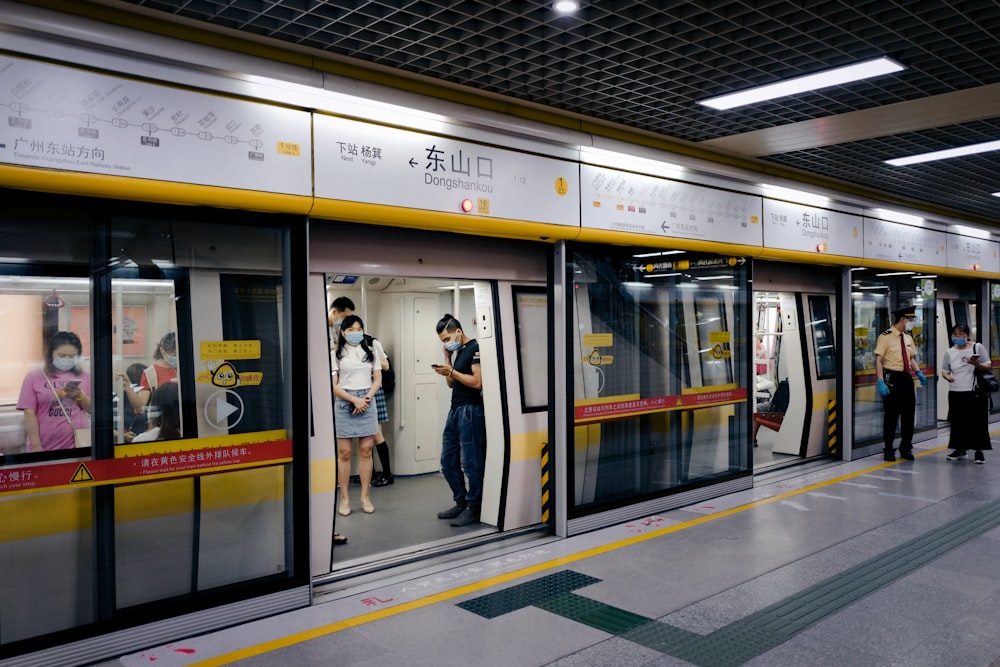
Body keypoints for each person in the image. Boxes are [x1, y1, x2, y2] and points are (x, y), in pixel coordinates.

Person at [432, 314, 486, 527]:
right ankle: (461, 501)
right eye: (443, 341)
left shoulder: (475, 348)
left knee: (471, 462)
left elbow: (477, 382)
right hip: (455, 410)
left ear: (458, 332)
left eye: (447, 339)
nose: (446, 343)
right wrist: (447, 361)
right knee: (447, 461)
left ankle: (475, 506)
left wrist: (452, 370)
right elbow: (451, 384)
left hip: (471, 411)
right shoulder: (457, 353)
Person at [332, 314, 382, 516]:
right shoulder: (336, 354)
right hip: (345, 402)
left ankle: (365, 496)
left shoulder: (370, 351)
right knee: (344, 453)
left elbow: (377, 379)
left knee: (366, 451)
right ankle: (344, 498)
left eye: (359, 329)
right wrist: (354, 400)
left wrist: (366, 398)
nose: (355, 333)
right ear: (343, 332)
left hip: (367, 401)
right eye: (351, 329)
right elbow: (334, 386)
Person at [16, 331, 93, 452]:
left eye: (72, 356)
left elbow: (91, 410)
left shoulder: (84, 376)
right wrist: (36, 445)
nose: (67, 359)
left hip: (77, 443)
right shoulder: (34, 376)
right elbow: (29, 414)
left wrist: (80, 395)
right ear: (51, 354)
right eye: (62, 355)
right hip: (44, 444)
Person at [874, 304, 927, 461]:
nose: (913, 322)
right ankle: (889, 449)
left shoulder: (908, 337)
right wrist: (880, 381)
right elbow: (878, 359)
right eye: (912, 319)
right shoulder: (885, 336)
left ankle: (906, 448)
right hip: (891, 378)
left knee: (908, 416)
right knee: (891, 416)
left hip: (906, 378)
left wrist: (918, 372)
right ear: (903, 319)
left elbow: (911, 358)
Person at [941, 324, 992, 463]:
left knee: (977, 422)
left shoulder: (977, 347)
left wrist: (976, 364)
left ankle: (979, 451)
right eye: (955, 335)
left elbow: (988, 364)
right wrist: (947, 376)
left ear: (968, 335)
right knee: (957, 422)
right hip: (956, 391)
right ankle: (959, 449)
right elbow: (944, 369)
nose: (958, 337)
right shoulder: (949, 352)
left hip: (975, 391)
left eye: (962, 334)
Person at [122, 332, 178, 412]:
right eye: (174, 355)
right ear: (162, 351)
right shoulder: (151, 373)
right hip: (162, 420)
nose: (177, 358)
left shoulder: (185, 368)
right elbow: (140, 406)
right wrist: (128, 386)